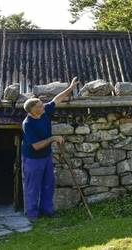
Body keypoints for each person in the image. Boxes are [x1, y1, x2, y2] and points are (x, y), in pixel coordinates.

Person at [22, 77, 79, 220]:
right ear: (32, 111)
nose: (44, 106)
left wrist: (71, 88)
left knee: (48, 183)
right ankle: (32, 214)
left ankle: (47, 210)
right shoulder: (28, 124)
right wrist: (53, 138)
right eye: (40, 106)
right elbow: (36, 146)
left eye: (42, 105)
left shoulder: (43, 111)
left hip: (46, 156)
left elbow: (56, 99)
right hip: (33, 159)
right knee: (33, 187)